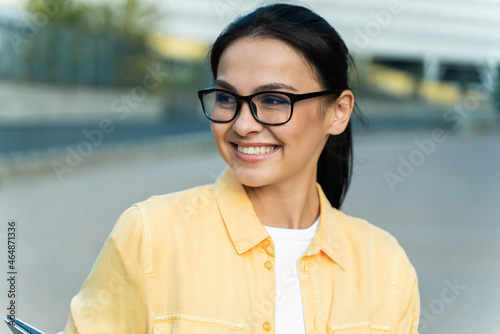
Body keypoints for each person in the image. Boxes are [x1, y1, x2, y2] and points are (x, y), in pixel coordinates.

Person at [59, 3, 420, 334]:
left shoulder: (386, 266)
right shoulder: (150, 236)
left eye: (274, 100)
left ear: (338, 111)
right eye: (227, 98)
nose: (243, 124)